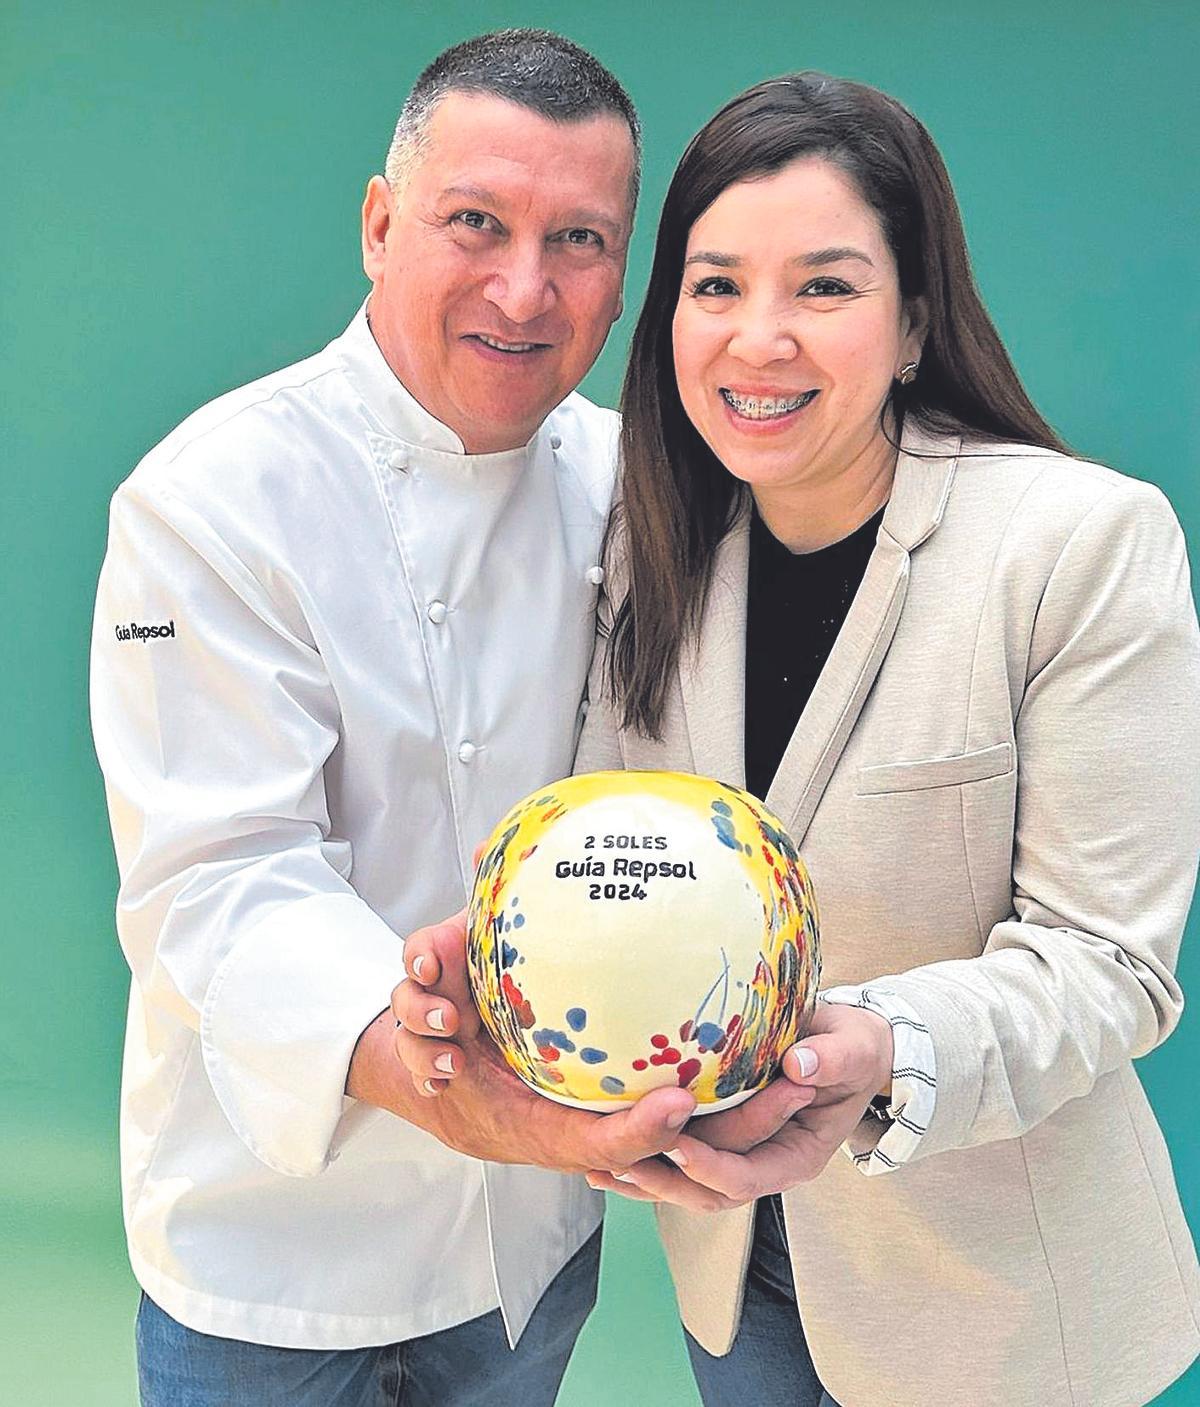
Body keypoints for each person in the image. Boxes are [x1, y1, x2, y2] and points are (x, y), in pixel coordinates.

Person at [395, 72, 1200, 1407]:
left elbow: (1113, 965)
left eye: (824, 288)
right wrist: (501, 957)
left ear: (912, 324)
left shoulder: (1079, 545)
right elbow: (625, 872)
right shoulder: (655, 561)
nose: (758, 338)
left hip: (998, 1312)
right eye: (715, 287)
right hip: (737, 1279)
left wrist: (868, 1051)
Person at [90, 29, 698, 1407]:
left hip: (528, 1245)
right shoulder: (212, 499)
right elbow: (221, 877)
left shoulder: (632, 488)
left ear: (623, 275)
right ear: (379, 224)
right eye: (475, 222)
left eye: (581, 240)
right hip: (272, 1241)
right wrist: (437, 1073)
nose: (524, 287)